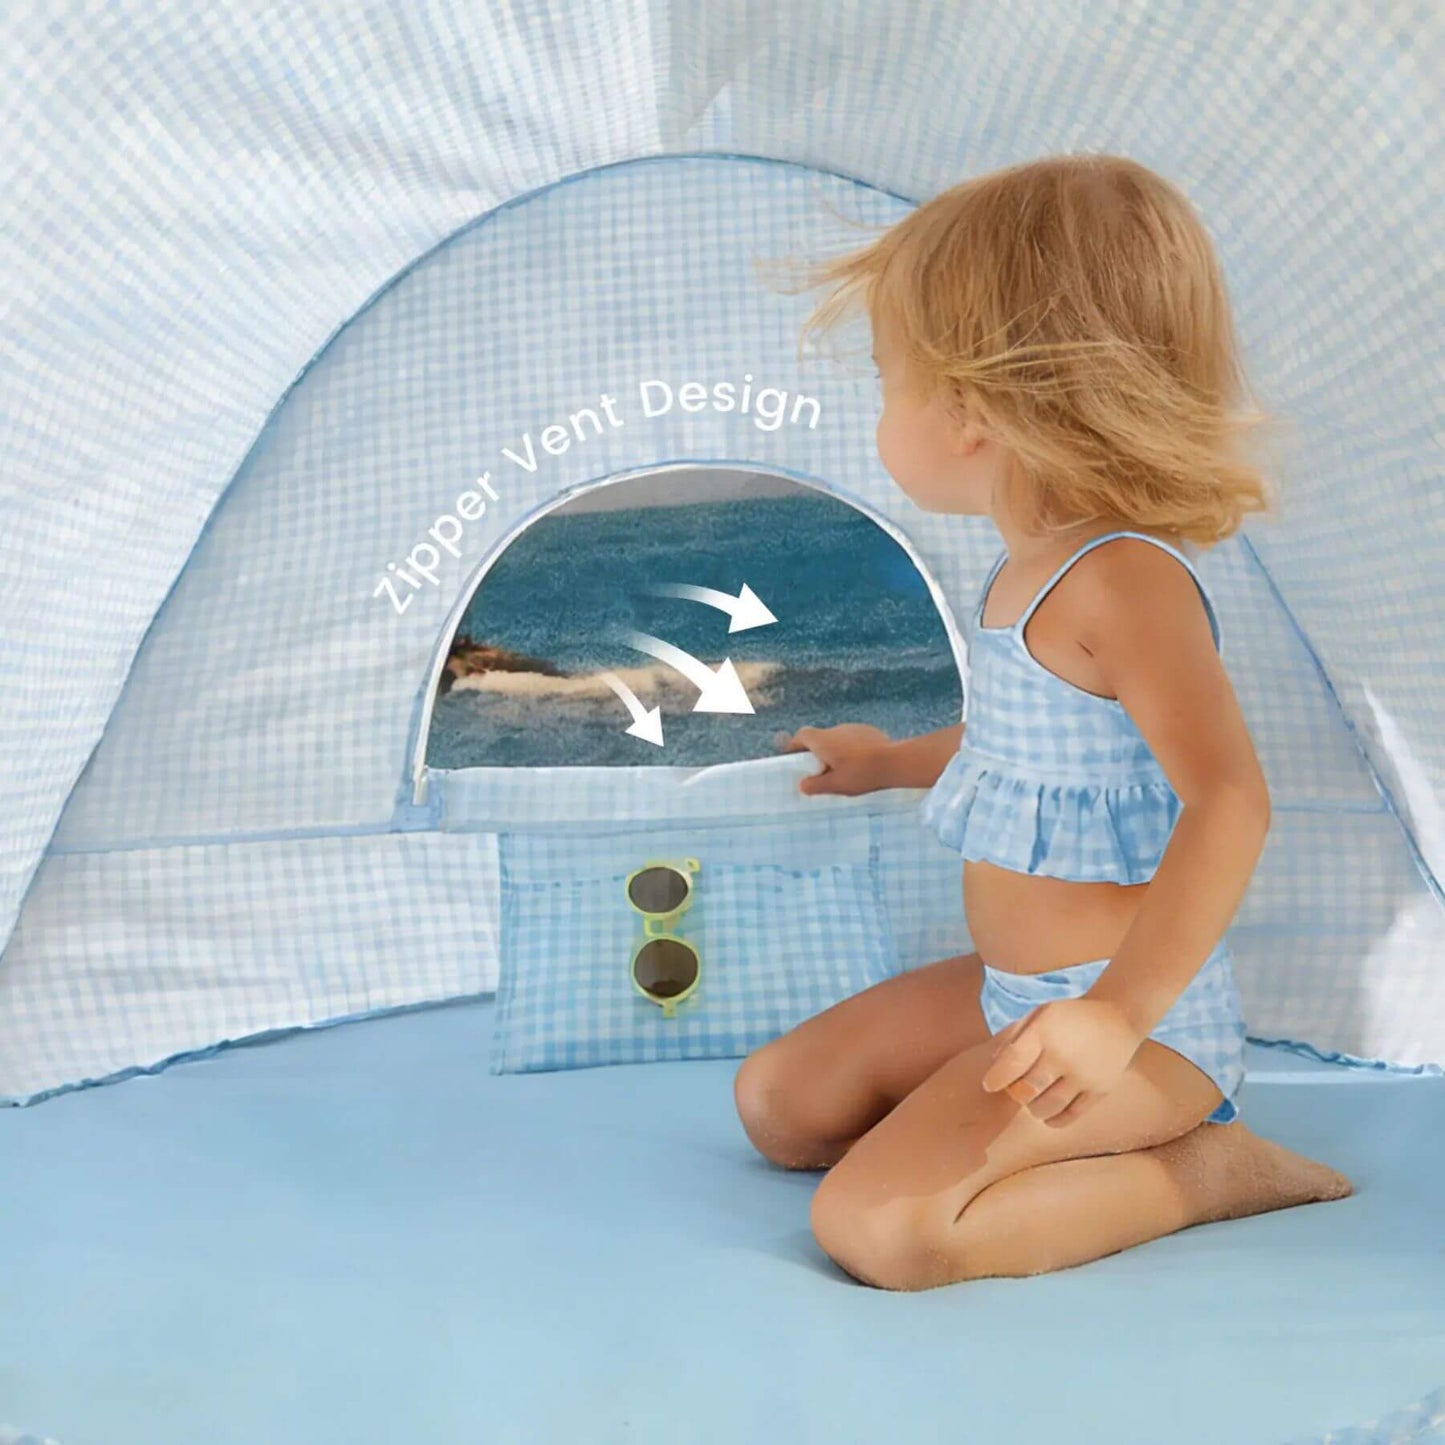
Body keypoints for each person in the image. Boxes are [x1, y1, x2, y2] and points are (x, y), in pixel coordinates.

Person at [733, 154, 1353, 1291]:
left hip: (1132, 1025)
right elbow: (1028, 760)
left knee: (882, 1232)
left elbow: (1229, 801)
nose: (878, 409)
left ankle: (1203, 1169)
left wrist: (1115, 1015)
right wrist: (887, 763)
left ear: (969, 410)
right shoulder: (1024, 570)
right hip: (1007, 992)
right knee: (778, 1104)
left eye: (885, 380)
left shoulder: (1124, 584)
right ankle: (1007, 1113)